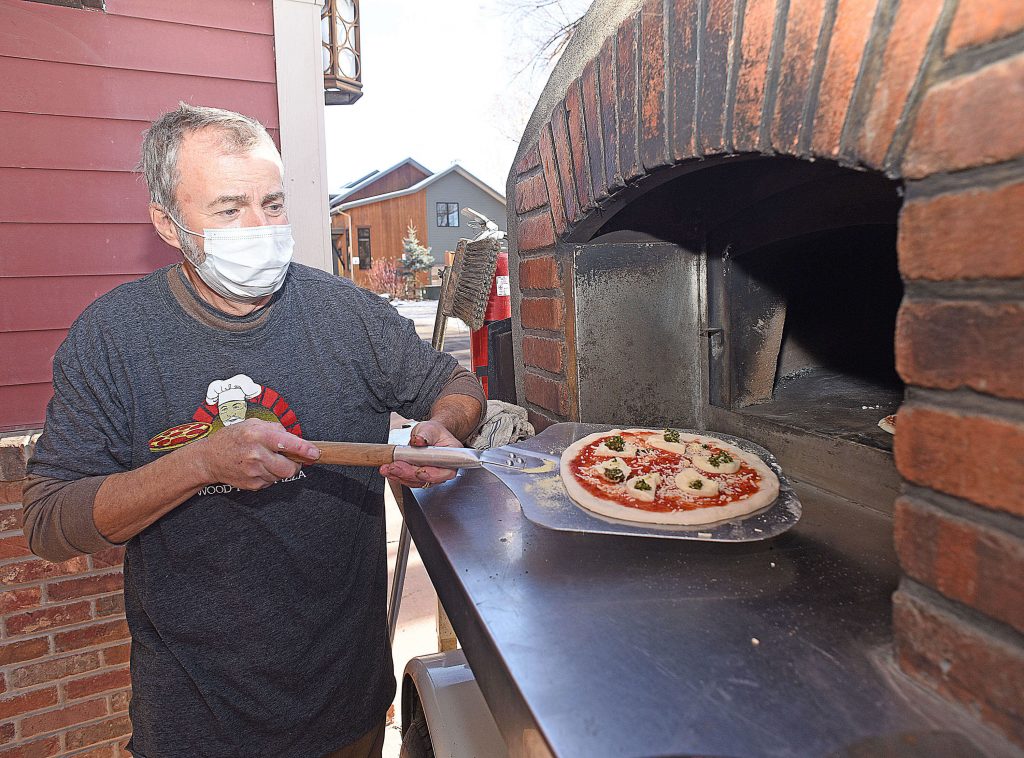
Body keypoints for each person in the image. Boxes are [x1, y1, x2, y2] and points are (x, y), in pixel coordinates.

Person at [22, 103, 485, 758]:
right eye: (230, 209)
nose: (261, 229)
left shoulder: (343, 315)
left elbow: (456, 385)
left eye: (272, 204)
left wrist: (443, 424)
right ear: (169, 223)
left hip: (345, 706)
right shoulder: (113, 339)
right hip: (195, 723)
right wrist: (198, 465)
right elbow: (49, 522)